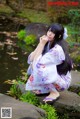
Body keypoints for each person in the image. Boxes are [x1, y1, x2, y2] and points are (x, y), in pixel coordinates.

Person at [25, 23, 72, 104]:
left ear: (59, 36)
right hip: (54, 77)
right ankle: (45, 89)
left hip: (61, 82)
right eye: (49, 31)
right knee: (34, 66)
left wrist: (42, 44)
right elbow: (31, 59)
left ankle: (54, 92)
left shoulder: (57, 49)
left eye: (53, 33)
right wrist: (41, 44)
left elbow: (38, 64)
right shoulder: (47, 43)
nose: (49, 34)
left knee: (41, 68)